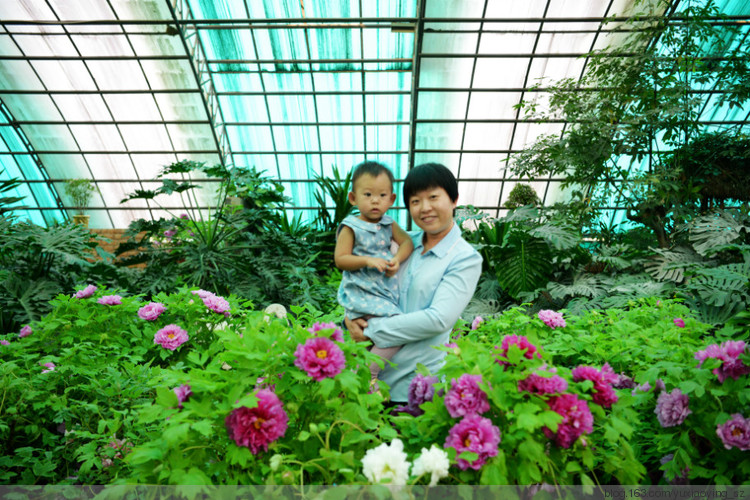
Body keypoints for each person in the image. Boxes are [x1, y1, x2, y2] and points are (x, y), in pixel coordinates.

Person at [346, 162, 482, 403]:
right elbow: (368, 280)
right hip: (371, 383)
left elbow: (438, 319)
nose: (425, 208)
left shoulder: (464, 258)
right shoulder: (403, 243)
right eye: (416, 201)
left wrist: (372, 331)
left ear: (453, 199)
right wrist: (352, 318)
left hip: (415, 387)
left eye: (433, 197)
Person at [334, 161, 415, 386]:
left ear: (391, 199)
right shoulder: (351, 226)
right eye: (367, 194)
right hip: (361, 294)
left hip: (380, 296)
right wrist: (368, 260)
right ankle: (369, 374)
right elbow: (341, 259)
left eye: (382, 195)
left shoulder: (389, 224)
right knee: (397, 329)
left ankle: (358, 375)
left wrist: (397, 260)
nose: (375, 200)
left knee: (369, 341)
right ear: (353, 198)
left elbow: (407, 242)